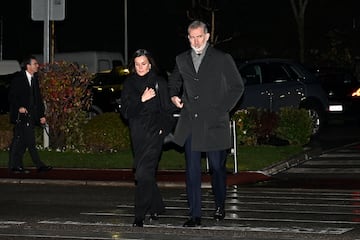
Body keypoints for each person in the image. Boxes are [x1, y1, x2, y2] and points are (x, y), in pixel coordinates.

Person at [168, 20, 244, 227]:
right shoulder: (182, 59)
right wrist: (174, 96)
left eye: (199, 36)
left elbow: (237, 86)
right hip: (191, 122)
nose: (195, 41)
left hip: (214, 123)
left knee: (217, 168)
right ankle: (195, 215)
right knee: (192, 170)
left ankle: (220, 205)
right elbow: (174, 81)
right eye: (191, 37)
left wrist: (222, 109)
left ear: (207, 36)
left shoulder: (222, 59)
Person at [121, 49, 176, 227]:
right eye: (137, 64)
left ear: (150, 64)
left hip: (154, 134)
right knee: (145, 175)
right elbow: (126, 112)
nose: (140, 67)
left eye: (143, 63)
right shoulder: (129, 84)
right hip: (137, 135)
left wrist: (162, 130)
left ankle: (139, 214)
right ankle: (157, 206)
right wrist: (141, 99)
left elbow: (168, 111)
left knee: (142, 173)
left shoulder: (159, 83)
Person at [8, 55, 52, 174]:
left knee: (20, 141)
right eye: (35, 64)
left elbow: (38, 99)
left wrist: (41, 115)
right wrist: (19, 107)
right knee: (29, 141)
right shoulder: (19, 79)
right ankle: (39, 165)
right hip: (22, 115)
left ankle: (15, 165)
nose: (37, 66)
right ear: (28, 66)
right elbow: (13, 96)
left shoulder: (34, 79)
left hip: (31, 115)